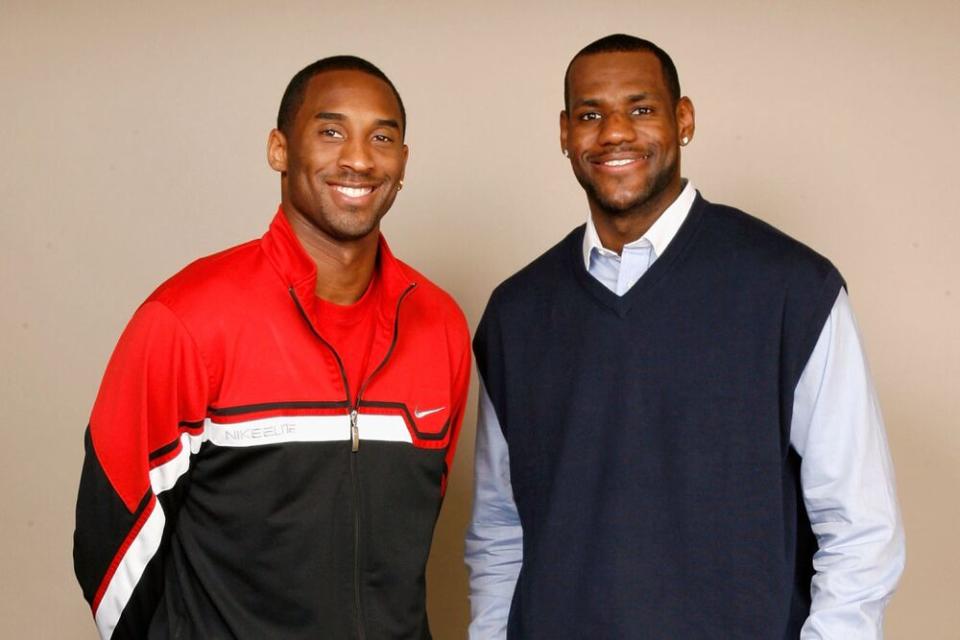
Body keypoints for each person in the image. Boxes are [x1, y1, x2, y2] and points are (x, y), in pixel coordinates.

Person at [466, 34, 904, 639]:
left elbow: (860, 527)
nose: (615, 132)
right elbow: (498, 530)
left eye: (640, 109)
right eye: (590, 115)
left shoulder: (793, 289)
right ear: (565, 133)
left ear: (683, 119)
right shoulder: (516, 315)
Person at [73, 56, 471, 639]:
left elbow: (412, 531)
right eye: (331, 132)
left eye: (381, 137)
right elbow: (110, 552)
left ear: (403, 162)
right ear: (279, 150)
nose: (358, 158)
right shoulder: (186, 320)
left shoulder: (440, 325)